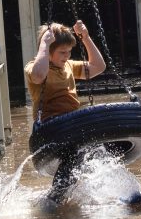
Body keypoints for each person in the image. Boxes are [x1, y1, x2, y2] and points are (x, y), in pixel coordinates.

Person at [24, 20, 107, 206]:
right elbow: (38, 76)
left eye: (69, 51)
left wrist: (85, 38)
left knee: (91, 152)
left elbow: (98, 67)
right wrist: (44, 44)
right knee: (74, 154)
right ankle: (54, 200)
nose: (67, 55)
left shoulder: (69, 65)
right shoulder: (33, 67)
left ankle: (69, 198)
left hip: (72, 124)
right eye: (62, 52)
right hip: (51, 128)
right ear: (49, 51)